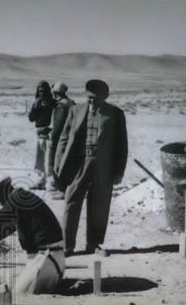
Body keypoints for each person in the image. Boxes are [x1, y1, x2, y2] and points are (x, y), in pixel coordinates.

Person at [51, 78, 128, 257]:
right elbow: (64, 138)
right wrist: (59, 163)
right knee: (71, 202)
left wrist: (119, 172)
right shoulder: (75, 110)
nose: (92, 102)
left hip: (104, 167)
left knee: (99, 205)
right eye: (89, 98)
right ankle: (67, 246)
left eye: (95, 98)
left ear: (104, 96)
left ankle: (93, 244)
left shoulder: (115, 114)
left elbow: (122, 145)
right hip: (79, 164)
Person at [0, 175, 65, 295]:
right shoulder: (20, 200)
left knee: (18, 296)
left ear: (3, 190)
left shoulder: (18, 199)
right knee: (13, 289)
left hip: (46, 260)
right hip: (50, 260)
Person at [45, 81, 75, 197]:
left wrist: (53, 137)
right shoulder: (71, 102)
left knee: (57, 162)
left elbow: (58, 125)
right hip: (71, 136)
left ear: (55, 92)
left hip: (61, 138)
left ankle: (59, 187)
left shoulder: (61, 105)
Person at [27, 81, 56, 189]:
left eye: (44, 90)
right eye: (40, 91)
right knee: (40, 159)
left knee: (49, 160)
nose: (42, 93)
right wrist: (36, 106)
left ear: (48, 91)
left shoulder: (53, 103)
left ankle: (50, 183)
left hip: (50, 134)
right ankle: (42, 181)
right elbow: (31, 118)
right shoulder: (37, 102)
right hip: (39, 134)